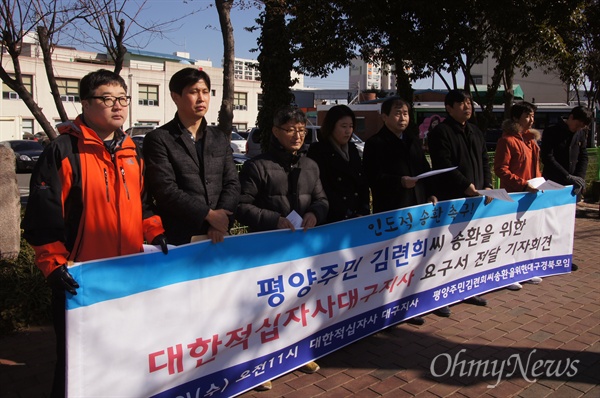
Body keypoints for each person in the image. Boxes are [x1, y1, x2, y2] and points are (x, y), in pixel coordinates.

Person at [21, 69, 167, 398]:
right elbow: (43, 217)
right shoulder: (63, 151)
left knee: (126, 351)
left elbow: (142, 205)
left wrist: (154, 232)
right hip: (80, 278)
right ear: (86, 104)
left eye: (123, 99)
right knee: (77, 364)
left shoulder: (132, 151)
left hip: (128, 276)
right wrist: (54, 265)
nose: (118, 106)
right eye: (107, 99)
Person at [237, 106, 328, 391]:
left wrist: (316, 212)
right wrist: (272, 220)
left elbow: (322, 199)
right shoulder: (256, 166)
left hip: (301, 251)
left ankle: (299, 353)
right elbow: (241, 207)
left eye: (301, 130)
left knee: (298, 305)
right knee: (264, 310)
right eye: (290, 130)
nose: (297, 135)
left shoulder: (311, 165)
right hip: (266, 251)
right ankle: (261, 365)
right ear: (275, 132)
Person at [143, 67, 240, 245]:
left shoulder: (219, 137)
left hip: (219, 234)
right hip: (179, 237)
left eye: (205, 92)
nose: (201, 98)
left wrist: (220, 219)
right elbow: (166, 190)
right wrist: (208, 215)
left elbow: (232, 182)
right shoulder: (159, 139)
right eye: (193, 92)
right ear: (175, 96)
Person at [362, 96, 437, 326]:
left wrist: (431, 193)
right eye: (397, 113)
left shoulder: (413, 141)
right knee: (394, 262)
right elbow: (372, 177)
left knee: (414, 259)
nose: (402, 117)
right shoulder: (375, 143)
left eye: (405, 113)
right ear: (384, 117)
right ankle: (391, 308)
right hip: (393, 209)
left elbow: (425, 170)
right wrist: (399, 182)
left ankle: (412, 303)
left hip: (417, 209)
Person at [427, 89, 492, 317]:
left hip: (475, 200)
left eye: (469, 102)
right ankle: (440, 296)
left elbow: (485, 159)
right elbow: (443, 165)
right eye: (461, 103)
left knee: (470, 247)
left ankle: (468, 288)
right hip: (452, 201)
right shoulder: (441, 133)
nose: (467, 106)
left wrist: (489, 185)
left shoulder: (475, 130)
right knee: (446, 250)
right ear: (449, 108)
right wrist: (465, 185)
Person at [494, 102, 544, 289]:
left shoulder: (531, 141)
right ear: (516, 118)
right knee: (511, 236)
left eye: (532, 116)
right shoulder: (507, 140)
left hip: (531, 195)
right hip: (514, 196)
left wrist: (539, 182)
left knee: (528, 235)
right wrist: (523, 184)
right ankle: (508, 274)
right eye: (527, 115)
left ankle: (526, 270)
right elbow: (500, 169)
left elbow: (535, 169)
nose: (531, 119)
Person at [540, 105, 593, 271]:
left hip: (572, 187)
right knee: (550, 221)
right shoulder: (552, 131)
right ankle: (545, 257)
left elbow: (583, 156)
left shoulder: (581, 134)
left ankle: (563, 257)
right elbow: (547, 157)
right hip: (554, 182)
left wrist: (579, 178)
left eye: (582, 127)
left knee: (566, 223)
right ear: (570, 117)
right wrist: (566, 176)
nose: (578, 129)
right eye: (577, 124)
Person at [307, 105, 370, 223]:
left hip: (358, 216)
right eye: (343, 126)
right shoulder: (318, 151)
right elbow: (321, 188)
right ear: (331, 126)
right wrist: (346, 213)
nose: (348, 131)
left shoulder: (352, 149)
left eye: (351, 126)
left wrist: (364, 210)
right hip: (334, 219)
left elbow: (362, 182)